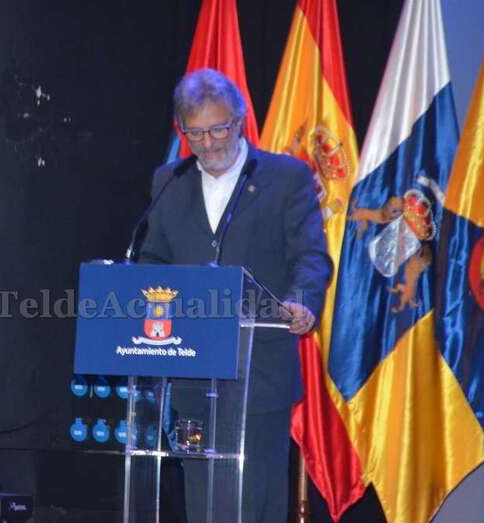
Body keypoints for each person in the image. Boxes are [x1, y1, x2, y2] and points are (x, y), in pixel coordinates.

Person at [138, 68, 332, 522]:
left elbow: (311, 256)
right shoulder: (169, 180)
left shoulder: (286, 177)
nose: (207, 143)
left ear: (240, 120)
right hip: (190, 372)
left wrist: (301, 300)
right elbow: (152, 261)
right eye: (195, 133)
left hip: (259, 373)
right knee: (207, 504)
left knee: (254, 503)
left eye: (218, 128)